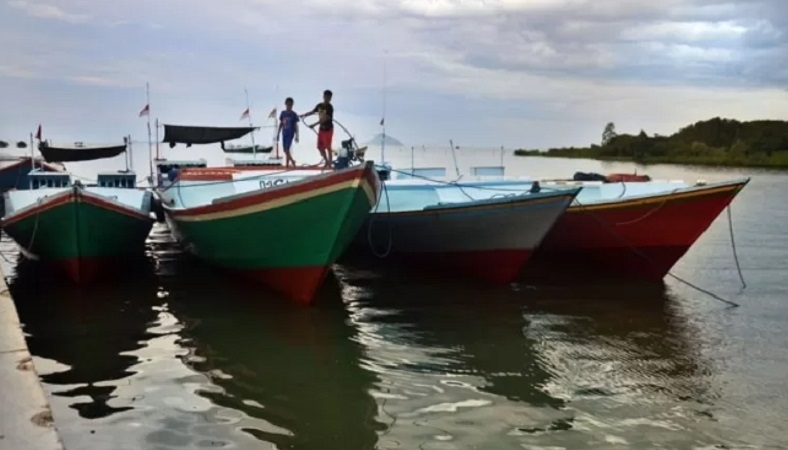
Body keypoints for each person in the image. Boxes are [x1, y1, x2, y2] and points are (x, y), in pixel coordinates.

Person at [300, 89, 334, 169]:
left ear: (330, 98)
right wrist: (304, 115)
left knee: (328, 147)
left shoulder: (330, 107)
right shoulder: (320, 105)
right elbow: (313, 112)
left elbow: (325, 118)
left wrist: (314, 124)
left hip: (328, 129)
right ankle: (326, 161)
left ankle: (330, 164)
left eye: (329, 97)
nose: (327, 99)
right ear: (323, 96)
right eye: (326, 97)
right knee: (320, 147)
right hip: (321, 129)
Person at [277, 97, 299, 168]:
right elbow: (281, 124)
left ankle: (291, 162)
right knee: (285, 150)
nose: (289, 106)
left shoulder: (293, 114)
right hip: (284, 133)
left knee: (287, 148)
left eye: (290, 105)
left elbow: (295, 125)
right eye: (288, 104)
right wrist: (278, 133)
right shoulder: (283, 113)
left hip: (290, 133)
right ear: (285, 104)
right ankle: (290, 162)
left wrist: (297, 135)